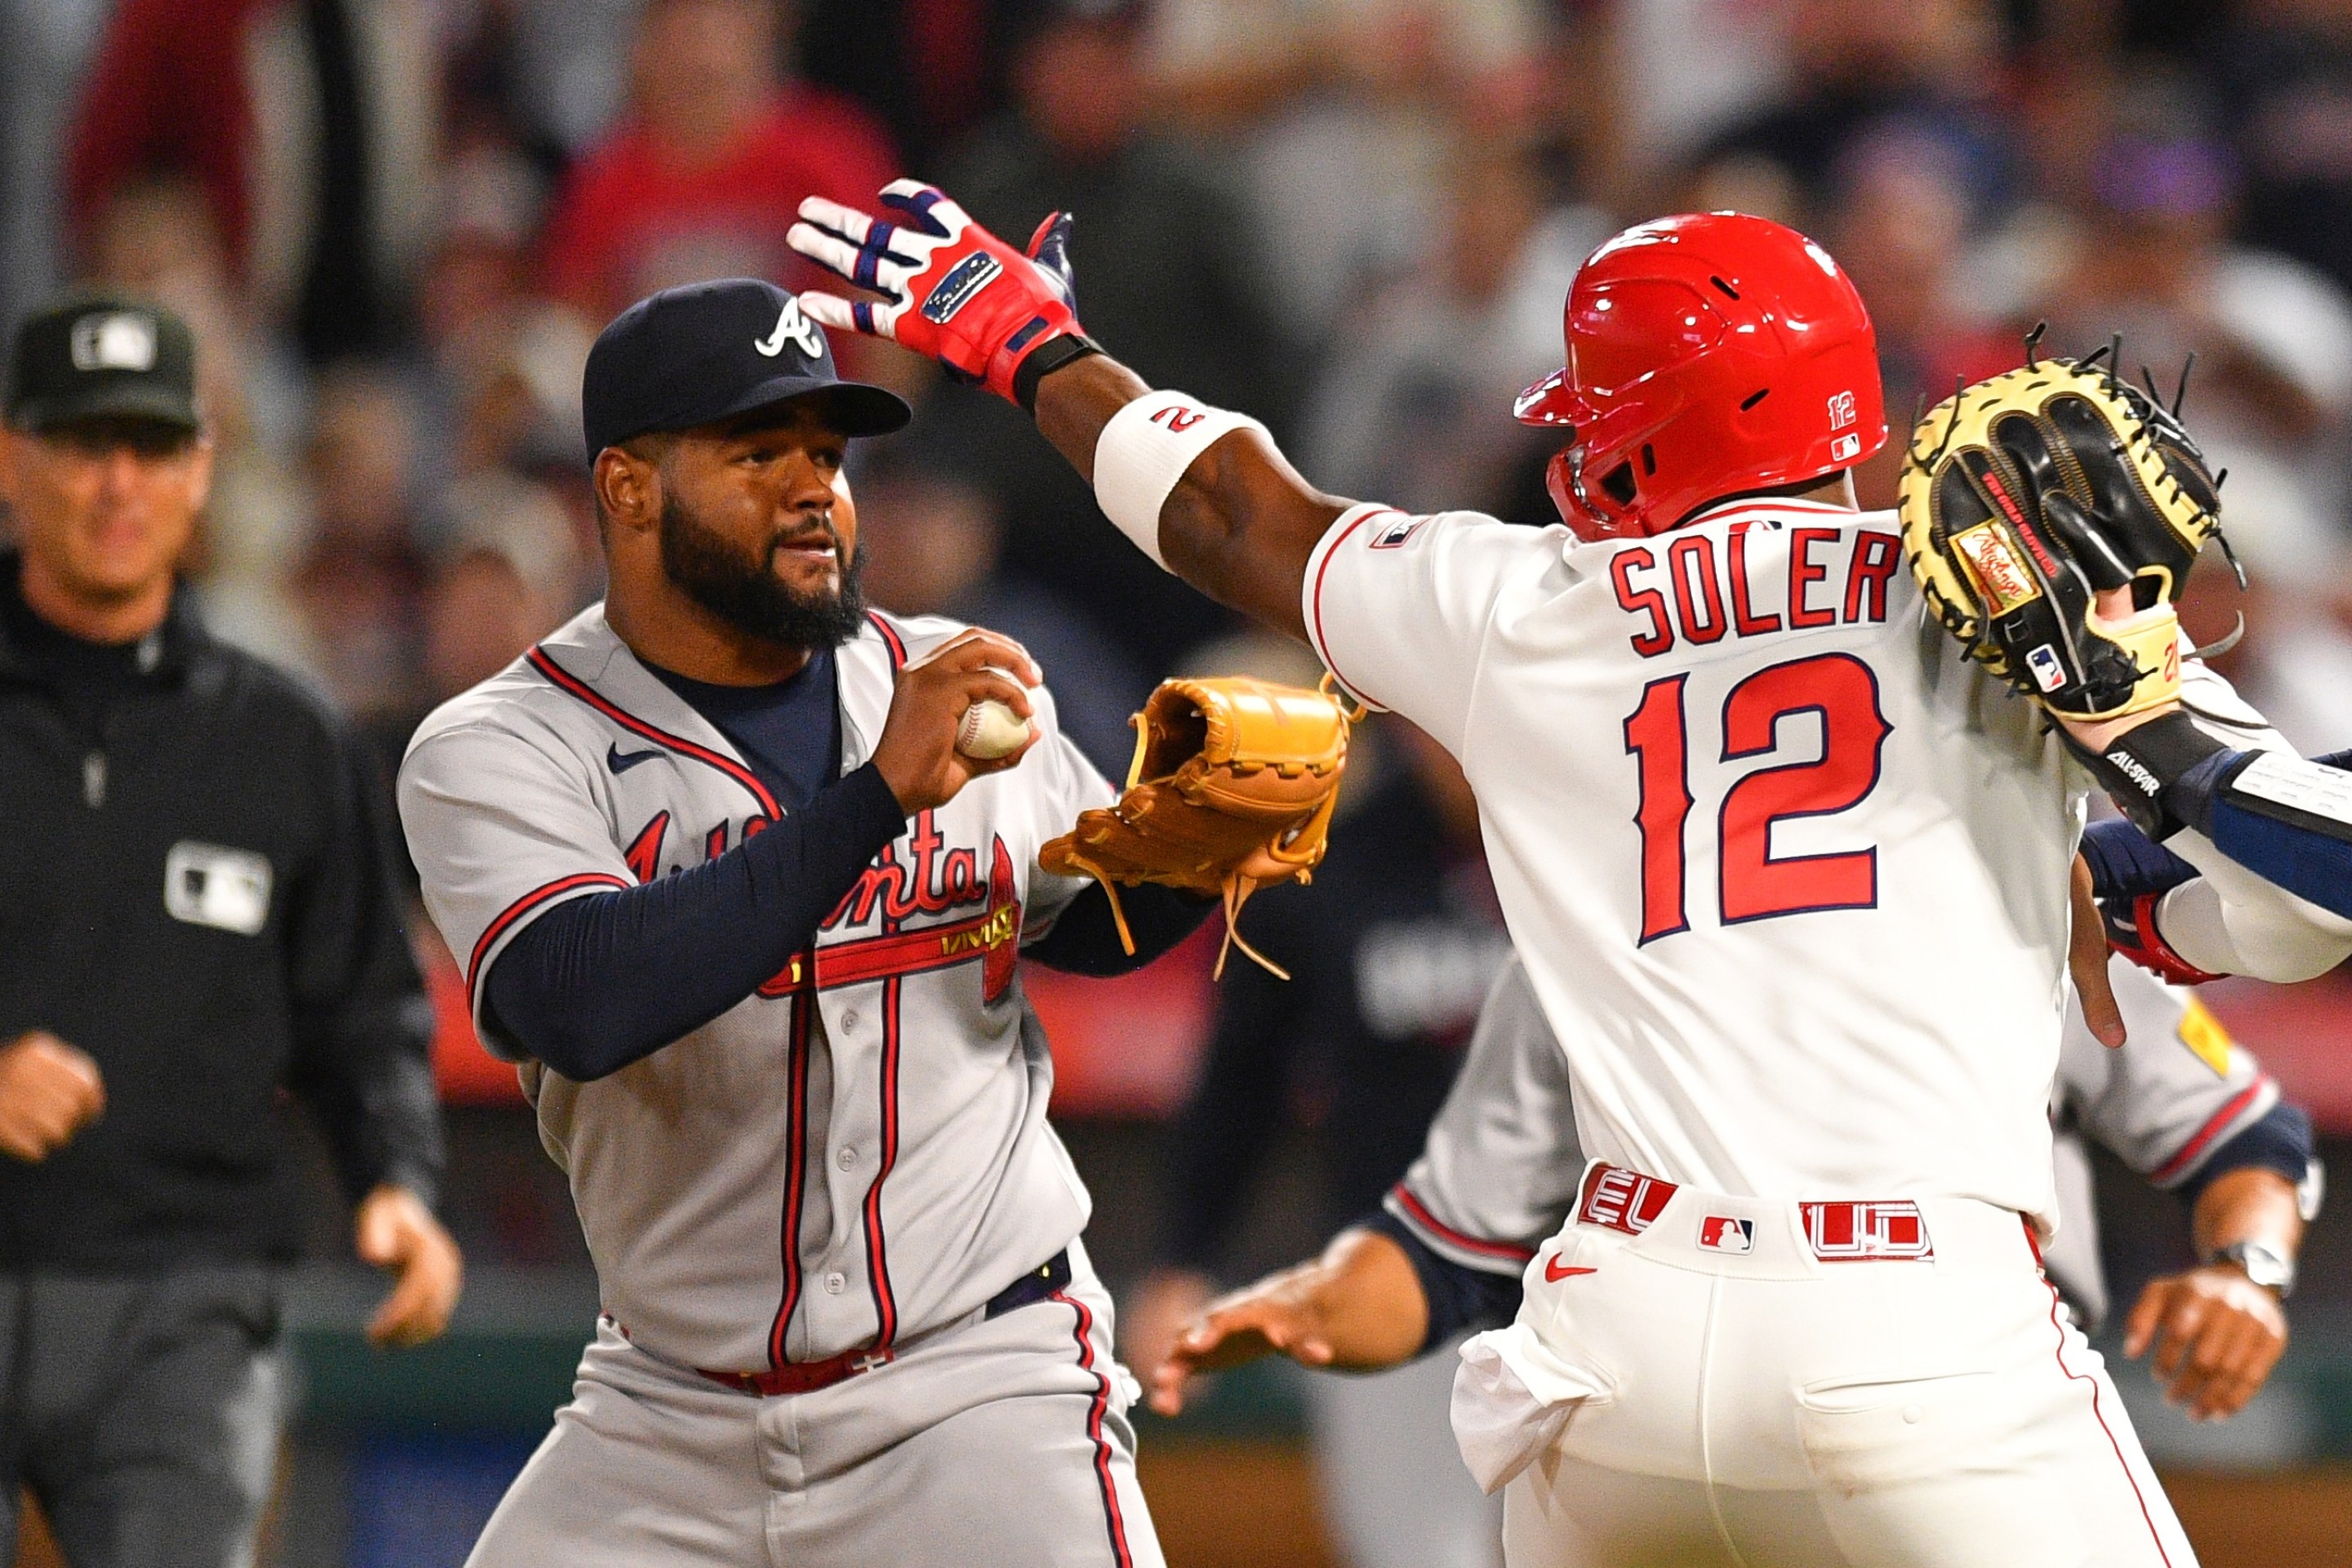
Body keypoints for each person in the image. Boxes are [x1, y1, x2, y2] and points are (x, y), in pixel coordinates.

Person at [787, 184, 2352, 1562]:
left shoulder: (1520, 606)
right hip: (1924, 1333)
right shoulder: (2007, 602)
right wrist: (2157, 818)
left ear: (1646, 430)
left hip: (1619, 1345)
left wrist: (1029, 341)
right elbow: (2307, 909)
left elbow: (1228, 515)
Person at [398, 278, 1222, 1568]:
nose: (813, 491)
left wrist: (1208, 847)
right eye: (757, 452)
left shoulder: (951, 680)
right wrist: (875, 800)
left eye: (828, 456)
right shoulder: (502, 745)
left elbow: (1085, 925)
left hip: (977, 1380)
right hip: (668, 1413)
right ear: (625, 489)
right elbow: (576, 996)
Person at [1145, 953, 2320, 1482]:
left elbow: (2240, 1138)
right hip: (1892, 1404)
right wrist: (1316, 1302)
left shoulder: (2004, 878)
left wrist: (2248, 1264)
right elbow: (1441, 1253)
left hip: (1940, 1403)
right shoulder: (1582, 930)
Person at [0, 293, 460, 1568]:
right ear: (8, 459)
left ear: (201, 471)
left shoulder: (282, 740)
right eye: (81, 444)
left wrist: (397, 1184)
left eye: (148, 448)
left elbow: (364, 1011)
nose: (115, 484)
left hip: (186, 1298)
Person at [1124, 716, 1512, 1568]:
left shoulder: (1610, 859)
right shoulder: (1334, 868)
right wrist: (1184, 1258)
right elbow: (1242, 1077)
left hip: (1582, 1286)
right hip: (1401, 1291)